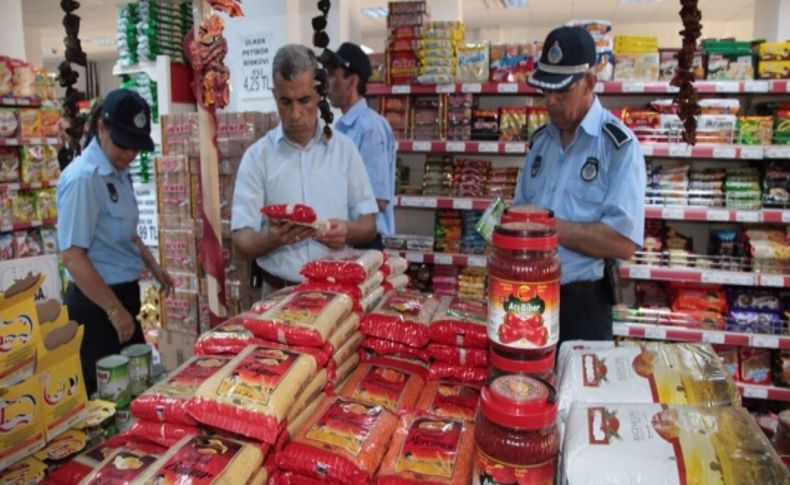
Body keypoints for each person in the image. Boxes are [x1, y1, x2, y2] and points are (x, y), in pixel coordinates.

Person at [513, 26, 646, 344]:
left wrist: (545, 227)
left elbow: (622, 242)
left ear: (589, 83)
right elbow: (519, 211)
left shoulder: (618, 146)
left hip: (583, 304)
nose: (552, 101)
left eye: (562, 91)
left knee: (581, 392)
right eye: (546, 91)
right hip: (528, 297)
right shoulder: (541, 143)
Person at [231, 44, 378, 293]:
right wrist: (271, 239)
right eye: (285, 102)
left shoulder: (344, 150)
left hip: (336, 292)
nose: (295, 113)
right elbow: (241, 241)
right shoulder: (257, 158)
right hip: (278, 292)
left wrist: (347, 231)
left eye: (304, 100)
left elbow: (369, 224)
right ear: (274, 95)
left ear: (319, 94)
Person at [56, 88, 174, 395]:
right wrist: (113, 310)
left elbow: (128, 233)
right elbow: (72, 256)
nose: (130, 154)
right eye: (123, 144)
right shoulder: (84, 178)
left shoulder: (120, 173)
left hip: (124, 297)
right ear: (101, 128)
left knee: (137, 388)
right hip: (96, 307)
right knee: (108, 400)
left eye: (136, 147)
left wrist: (155, 268)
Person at [327, 42, 397, 249]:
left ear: (352, 81)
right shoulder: (343, 127)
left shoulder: (368, 128)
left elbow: (377, 199)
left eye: (333, 75)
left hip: (364, 242)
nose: (327, 82)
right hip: (346, 238)